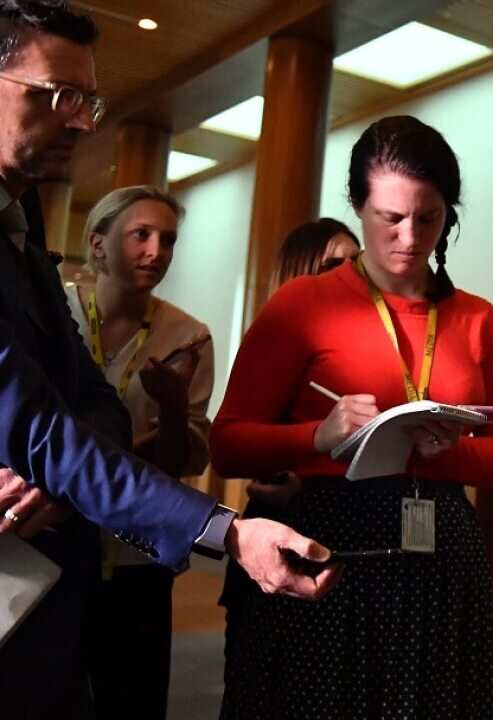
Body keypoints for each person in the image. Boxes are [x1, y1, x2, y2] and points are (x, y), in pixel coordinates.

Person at [0, 4, 336, 717]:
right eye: (61, 95)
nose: (83, 121)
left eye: (89, 101)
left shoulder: (22, 221)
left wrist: (58, 471)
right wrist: (229, 531)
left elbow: (93, 401)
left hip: (57, 586)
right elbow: (42, 428)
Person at [211, 115, 493, 719]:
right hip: (330, 547)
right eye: (391, 218)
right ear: (358, 205)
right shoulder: (303, 304)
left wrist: (450, 452)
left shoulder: (477, 318)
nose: (410, 237)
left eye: (428, 219)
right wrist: (318, 435)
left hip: (441, 553)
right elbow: (227, 446)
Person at [61, 184, 215, 719]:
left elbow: (178, 464)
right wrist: (131, 450)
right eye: (141, 235)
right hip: (55, 539)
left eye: (168, 240)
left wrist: (171, 408)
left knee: (132, 702)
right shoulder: (56, 309)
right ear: (98, 244)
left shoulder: (188, 336)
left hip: (140, 550)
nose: (157, 251)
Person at [219, 216, 360, 693]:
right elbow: (235, 444)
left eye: (357, 263)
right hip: (283, 535)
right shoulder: (279, 336)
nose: (350, 273)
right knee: (271, 687)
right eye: (334, 264)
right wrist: (295, 466)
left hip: (350, 540)